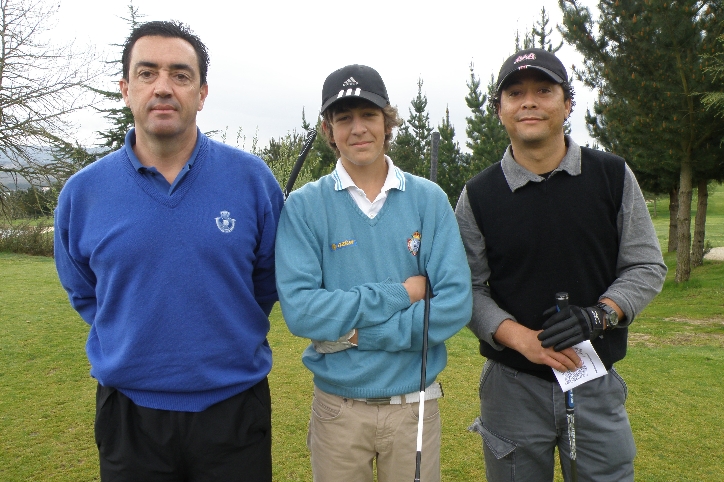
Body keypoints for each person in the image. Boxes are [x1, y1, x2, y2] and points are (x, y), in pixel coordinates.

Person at [54, 21, 283, 481]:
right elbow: (84, 291)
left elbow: (266, 281)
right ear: (125, 88)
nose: (163, 87)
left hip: (234, 412)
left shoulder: (252, 181)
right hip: (130, 417)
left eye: (180, 75)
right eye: (147, 73)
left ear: (201, 93)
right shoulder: (83, 194)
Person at [455, 48, 667, 482]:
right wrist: (519, 338)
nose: (529, 101)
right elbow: (467, 288)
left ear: (567, 104)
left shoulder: (612, 175)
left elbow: (645, 265)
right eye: (515, 93)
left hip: (594, 379)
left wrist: (600, 314)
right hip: (511, 385)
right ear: (499, 110)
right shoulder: (478, 195)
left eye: (543, 90)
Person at [274, 64, 472, 482]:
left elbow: (454, 303)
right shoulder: (305, 207)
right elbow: (302, 311)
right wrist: (401, 293)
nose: (358, 128)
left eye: (369, 115)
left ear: (387, 121)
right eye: (344, 118)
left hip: (414, 407)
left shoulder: (429, 199)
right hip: (338, 410)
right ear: (329, 129)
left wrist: (361, 335)